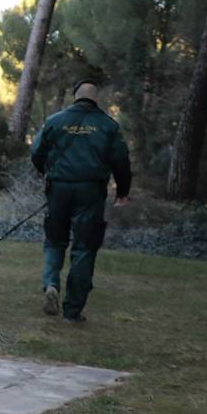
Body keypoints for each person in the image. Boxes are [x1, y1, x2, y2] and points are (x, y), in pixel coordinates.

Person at [30, 79, 132, 323]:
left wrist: (47, 173)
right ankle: (72, 311)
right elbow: (121, 162)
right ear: (96, 99)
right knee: (84, 249)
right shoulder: (108, 126)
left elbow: (36, 153)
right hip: (90, 192)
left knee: (55, 241)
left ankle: (51, 283)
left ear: (75, 97)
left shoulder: (55, 121)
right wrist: (123, 192)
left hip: (58, 190)